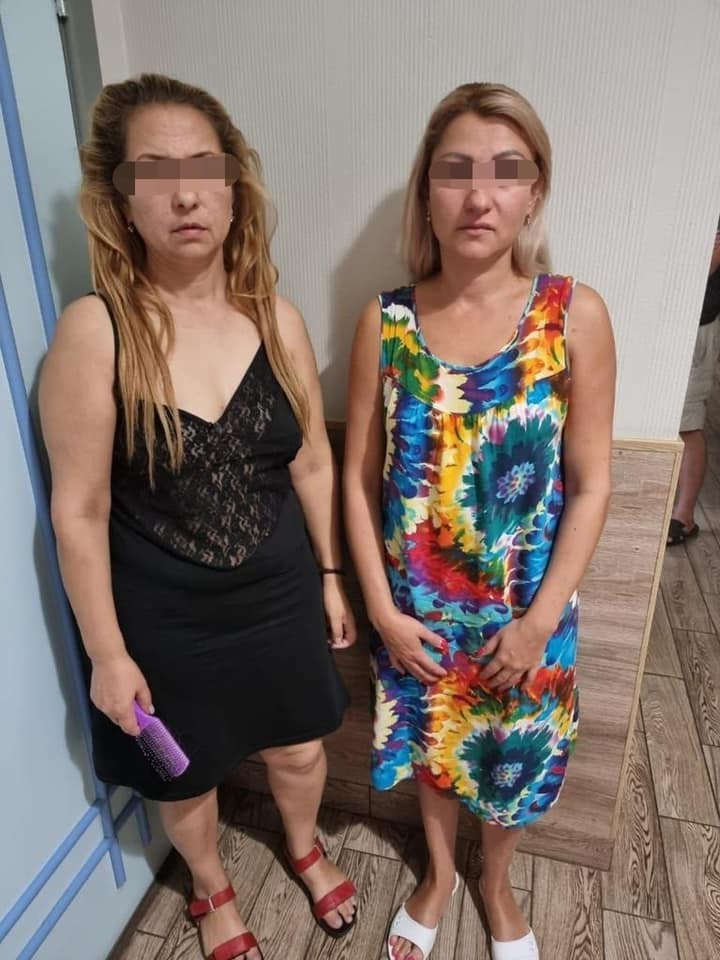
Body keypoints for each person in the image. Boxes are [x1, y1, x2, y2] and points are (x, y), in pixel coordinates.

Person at [39, 73, 358, 960]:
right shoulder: (95, 332)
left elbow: (312, 462)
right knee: (184, 777)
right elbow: (79, 510)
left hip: (281, 595)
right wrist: (108, 655)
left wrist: (332, 575)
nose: (184, 194)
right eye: (154, 172)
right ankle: (212, 887)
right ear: (122, 200)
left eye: (203, 168)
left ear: (233, 187)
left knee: (300, 751)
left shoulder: (277, 319)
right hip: (164, 621)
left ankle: (303, 846)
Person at [344, 82, 615, 960]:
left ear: (535, 191)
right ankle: (437, 874)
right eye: (455, 170)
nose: (479, 194)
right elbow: (356, 479)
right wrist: (382, 610)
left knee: (511, 766)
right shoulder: (385, 322)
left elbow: (592, 484)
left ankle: (495, 884)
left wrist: (539, 622)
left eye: (506, 170)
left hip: (528, 617)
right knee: (435, 752)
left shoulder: (573, 315)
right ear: (427, 188)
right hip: (417, 617)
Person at [667, 221, 720, 545]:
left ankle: (684, 516)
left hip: (697, 325)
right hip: (667, 320)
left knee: (688, 424)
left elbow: (705, 266)